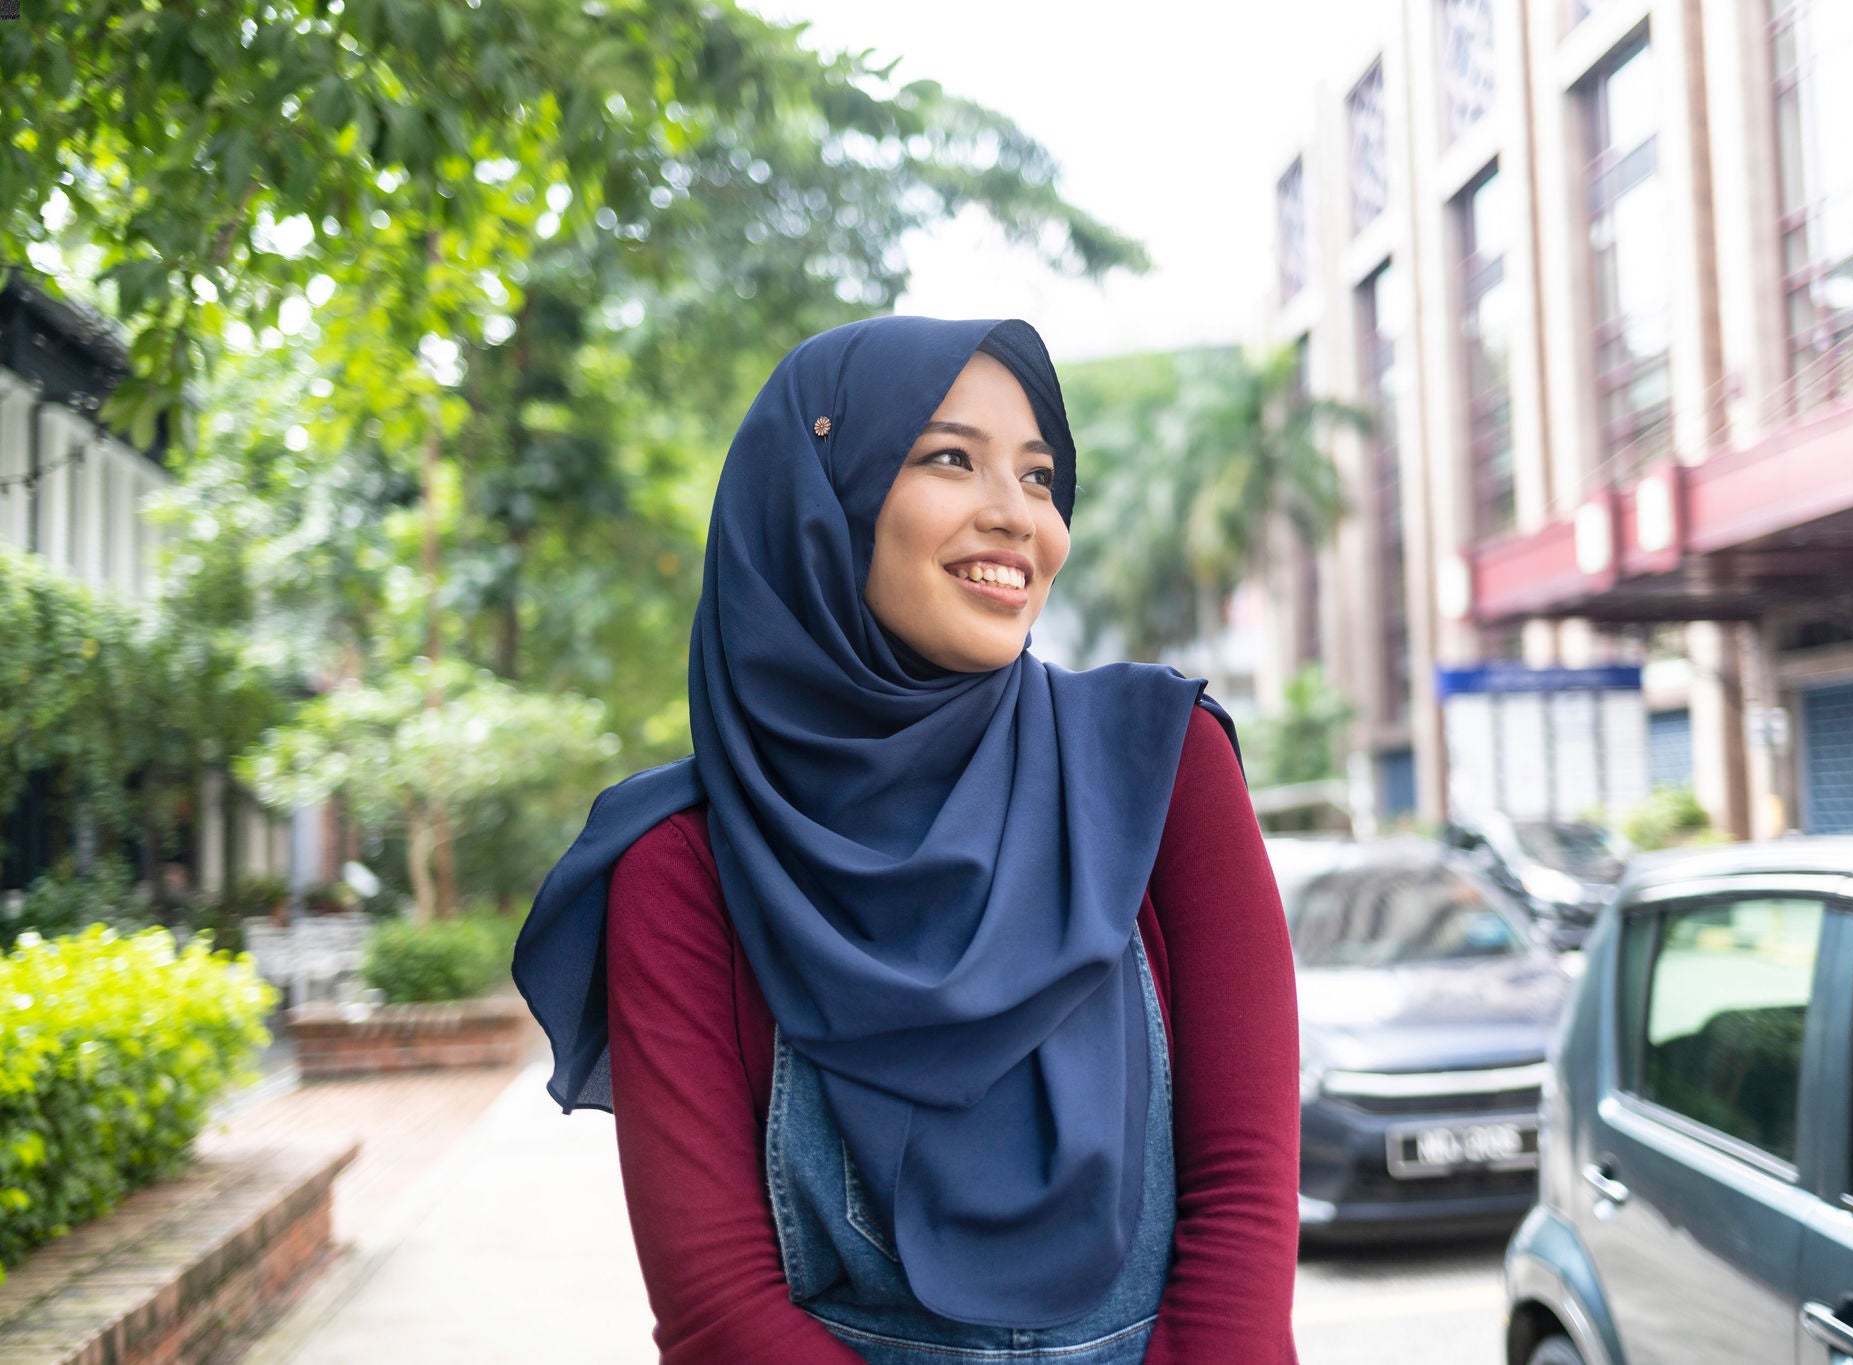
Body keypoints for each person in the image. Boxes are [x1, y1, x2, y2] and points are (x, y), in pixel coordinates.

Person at [513, 316, 1299, 1364]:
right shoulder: (683, 864)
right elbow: (717, 1310)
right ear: (817, 505)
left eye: (1036, 475)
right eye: (947, 458)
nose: (1017, 516)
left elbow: (1245, 1199)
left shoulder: (1159, 766)